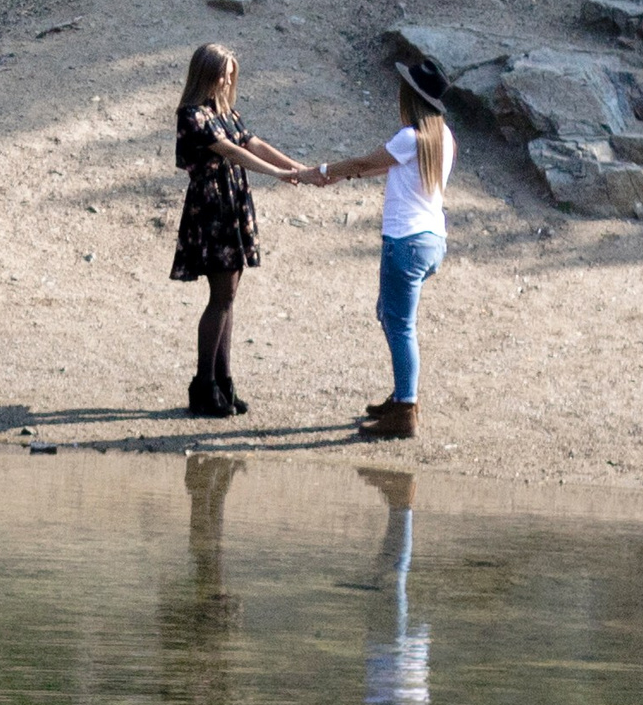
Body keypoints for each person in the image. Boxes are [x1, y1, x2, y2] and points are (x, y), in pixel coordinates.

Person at [171, 42, 367, 418]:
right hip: (212, 209)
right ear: (205, 74)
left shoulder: (223, 111)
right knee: (221, 297)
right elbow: (230, 151)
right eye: (222, 73)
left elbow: (252, 142)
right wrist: (280, 174)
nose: (228, 80)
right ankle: (204, 386)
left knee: (227, 297)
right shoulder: (192, 115)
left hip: (231, 205)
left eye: (231, 74)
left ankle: (222, 383)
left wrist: (301, 169)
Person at [356, 68, 453, 442]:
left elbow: (367, 162)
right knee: (390, 314)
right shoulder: (443, 137)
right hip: (431, 242)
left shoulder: (409, 137)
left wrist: (325, 171)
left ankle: (406, 409)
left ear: (410, 99)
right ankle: (401, 398)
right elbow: (383, 166)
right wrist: (354, 174)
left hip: (405, 242)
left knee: (400, 325)